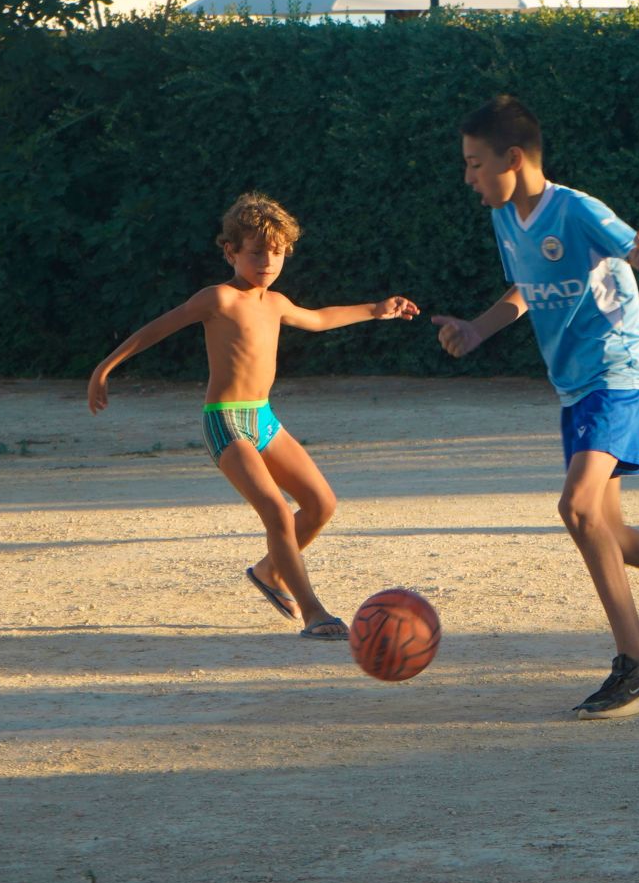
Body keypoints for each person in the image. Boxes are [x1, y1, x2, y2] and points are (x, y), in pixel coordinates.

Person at [431, 94, 639, 720]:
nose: (468, 177)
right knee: (608, 531)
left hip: (616, 373)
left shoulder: (578, 210)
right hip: (575, 387)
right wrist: (479, 329)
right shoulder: (506, 217)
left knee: (578, 508)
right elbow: (527, 289)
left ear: (513, 158)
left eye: (475, 164)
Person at [87, 193, 419, 636]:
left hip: (263, 418)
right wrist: (104, 368)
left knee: (321, 504)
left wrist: (376, 310)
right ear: (231, 251)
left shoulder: (277, 303)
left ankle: (268, 571)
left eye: (276, 252)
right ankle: (314, 612)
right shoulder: (218, 298)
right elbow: (158, 328)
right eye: (256, 251)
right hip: (225, 421)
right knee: (278, 513)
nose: (267, 261)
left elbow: (318, 319)